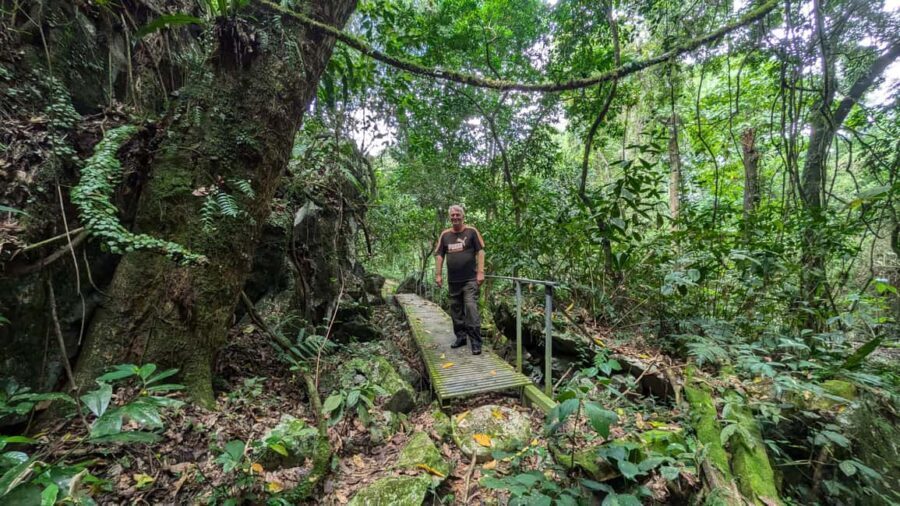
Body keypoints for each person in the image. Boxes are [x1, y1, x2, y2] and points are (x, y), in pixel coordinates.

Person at [434, 205, 485, 355]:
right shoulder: (445, 235)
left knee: (470, 308)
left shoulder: (471, 232)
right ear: (450, 217)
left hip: (470, 279)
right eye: (453, 215)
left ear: (463, 216)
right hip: (453, 281)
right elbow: (439, 255)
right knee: (455, 310)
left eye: (458, 215)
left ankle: (476, 341)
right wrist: (438, 274)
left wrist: (480, 272)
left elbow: (480, 251)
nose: (455, 217)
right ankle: (461, 337)